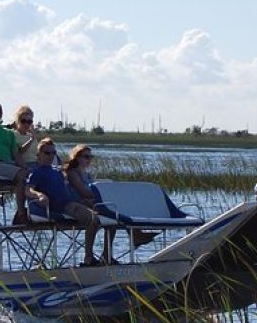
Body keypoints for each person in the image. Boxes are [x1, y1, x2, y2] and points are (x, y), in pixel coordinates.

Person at [62, 144, 157, 262]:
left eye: (91, 157)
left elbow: (92, 191)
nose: (89, 160)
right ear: (77, 157)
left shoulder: (87, 175)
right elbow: (84, 191)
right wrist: (102, 195)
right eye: (86, 157)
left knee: (113, 216)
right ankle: (89, 256)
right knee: (97, 217)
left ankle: (107, 254)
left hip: (91, 202)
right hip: (79, 204)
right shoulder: (73, 173)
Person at [28, 138, 103, 266]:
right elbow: (28, 190)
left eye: (53, 153)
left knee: (104, 214)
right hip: (59, 208)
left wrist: (84, 200)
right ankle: (89, 258)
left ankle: (105, 256)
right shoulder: (36, 172)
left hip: (70, 204)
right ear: (39, 155)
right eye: (47, 153)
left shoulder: (58, 172)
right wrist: (39, 195)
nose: (51, 156)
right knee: (93, 219)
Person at [10, 105, 38, 169]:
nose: (26, 124)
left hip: (36, 164)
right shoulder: (13, 134)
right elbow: (19, 152)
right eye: (23, 121)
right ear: (18, 121)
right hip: (24, 165)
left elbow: (37, 153)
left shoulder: (31, 136)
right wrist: (30, 140)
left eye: (29, 122)